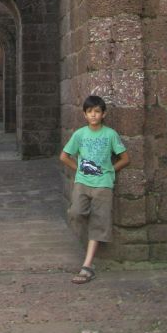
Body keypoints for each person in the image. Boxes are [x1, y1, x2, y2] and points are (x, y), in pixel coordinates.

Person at [60, 94, 129, 284]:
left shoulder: (110, 134)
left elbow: (125, 158)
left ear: (103, 114)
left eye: (97, 111)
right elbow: (64, 156)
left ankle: (87, 265)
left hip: (103, 185)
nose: (93, 115)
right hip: (82, 182)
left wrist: (109, 171)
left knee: (99, 223)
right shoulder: (80, 135)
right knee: (76, 212)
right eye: (89, 112)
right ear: (84, 114)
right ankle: (89, 247)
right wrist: (79, 169)